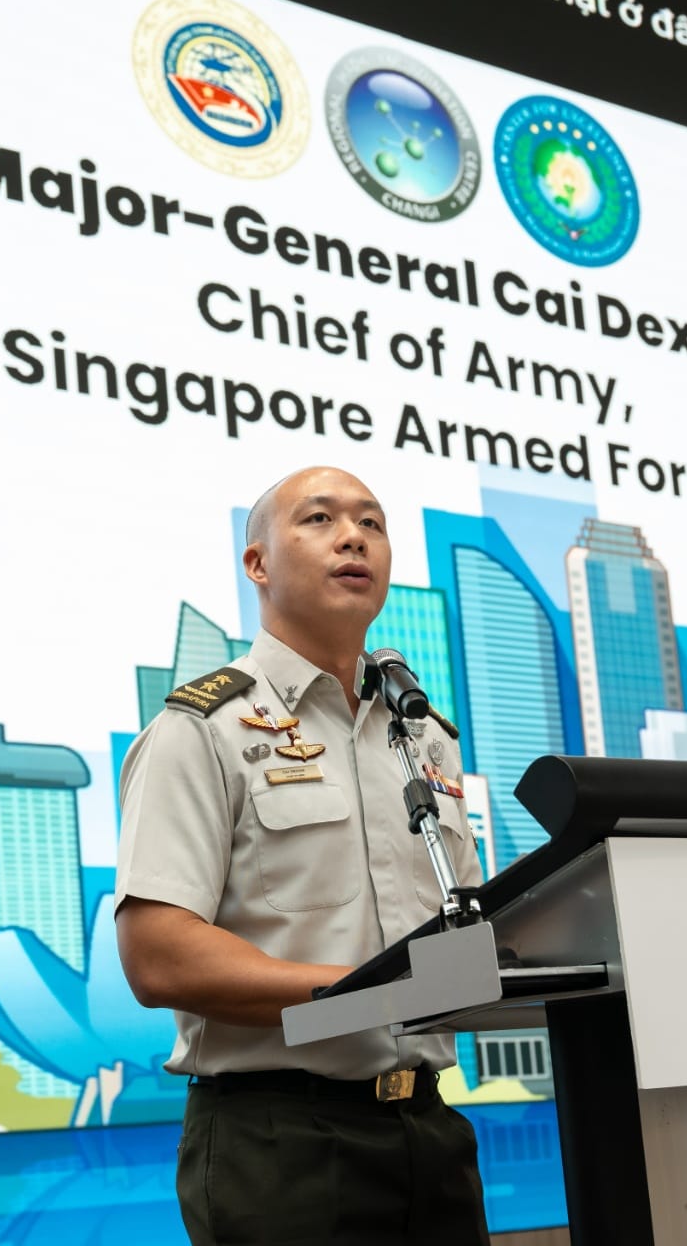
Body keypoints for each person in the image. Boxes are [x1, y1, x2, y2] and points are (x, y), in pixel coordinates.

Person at [114, 465, 491, 1246]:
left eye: (372, 524)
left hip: (429, 1127)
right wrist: (369, 993)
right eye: (319, 519)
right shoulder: (202, 729)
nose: (353, 536)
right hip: (278, 1141)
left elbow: (470, 930)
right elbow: (159, 957)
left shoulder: (424, 739)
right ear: (257, 564)